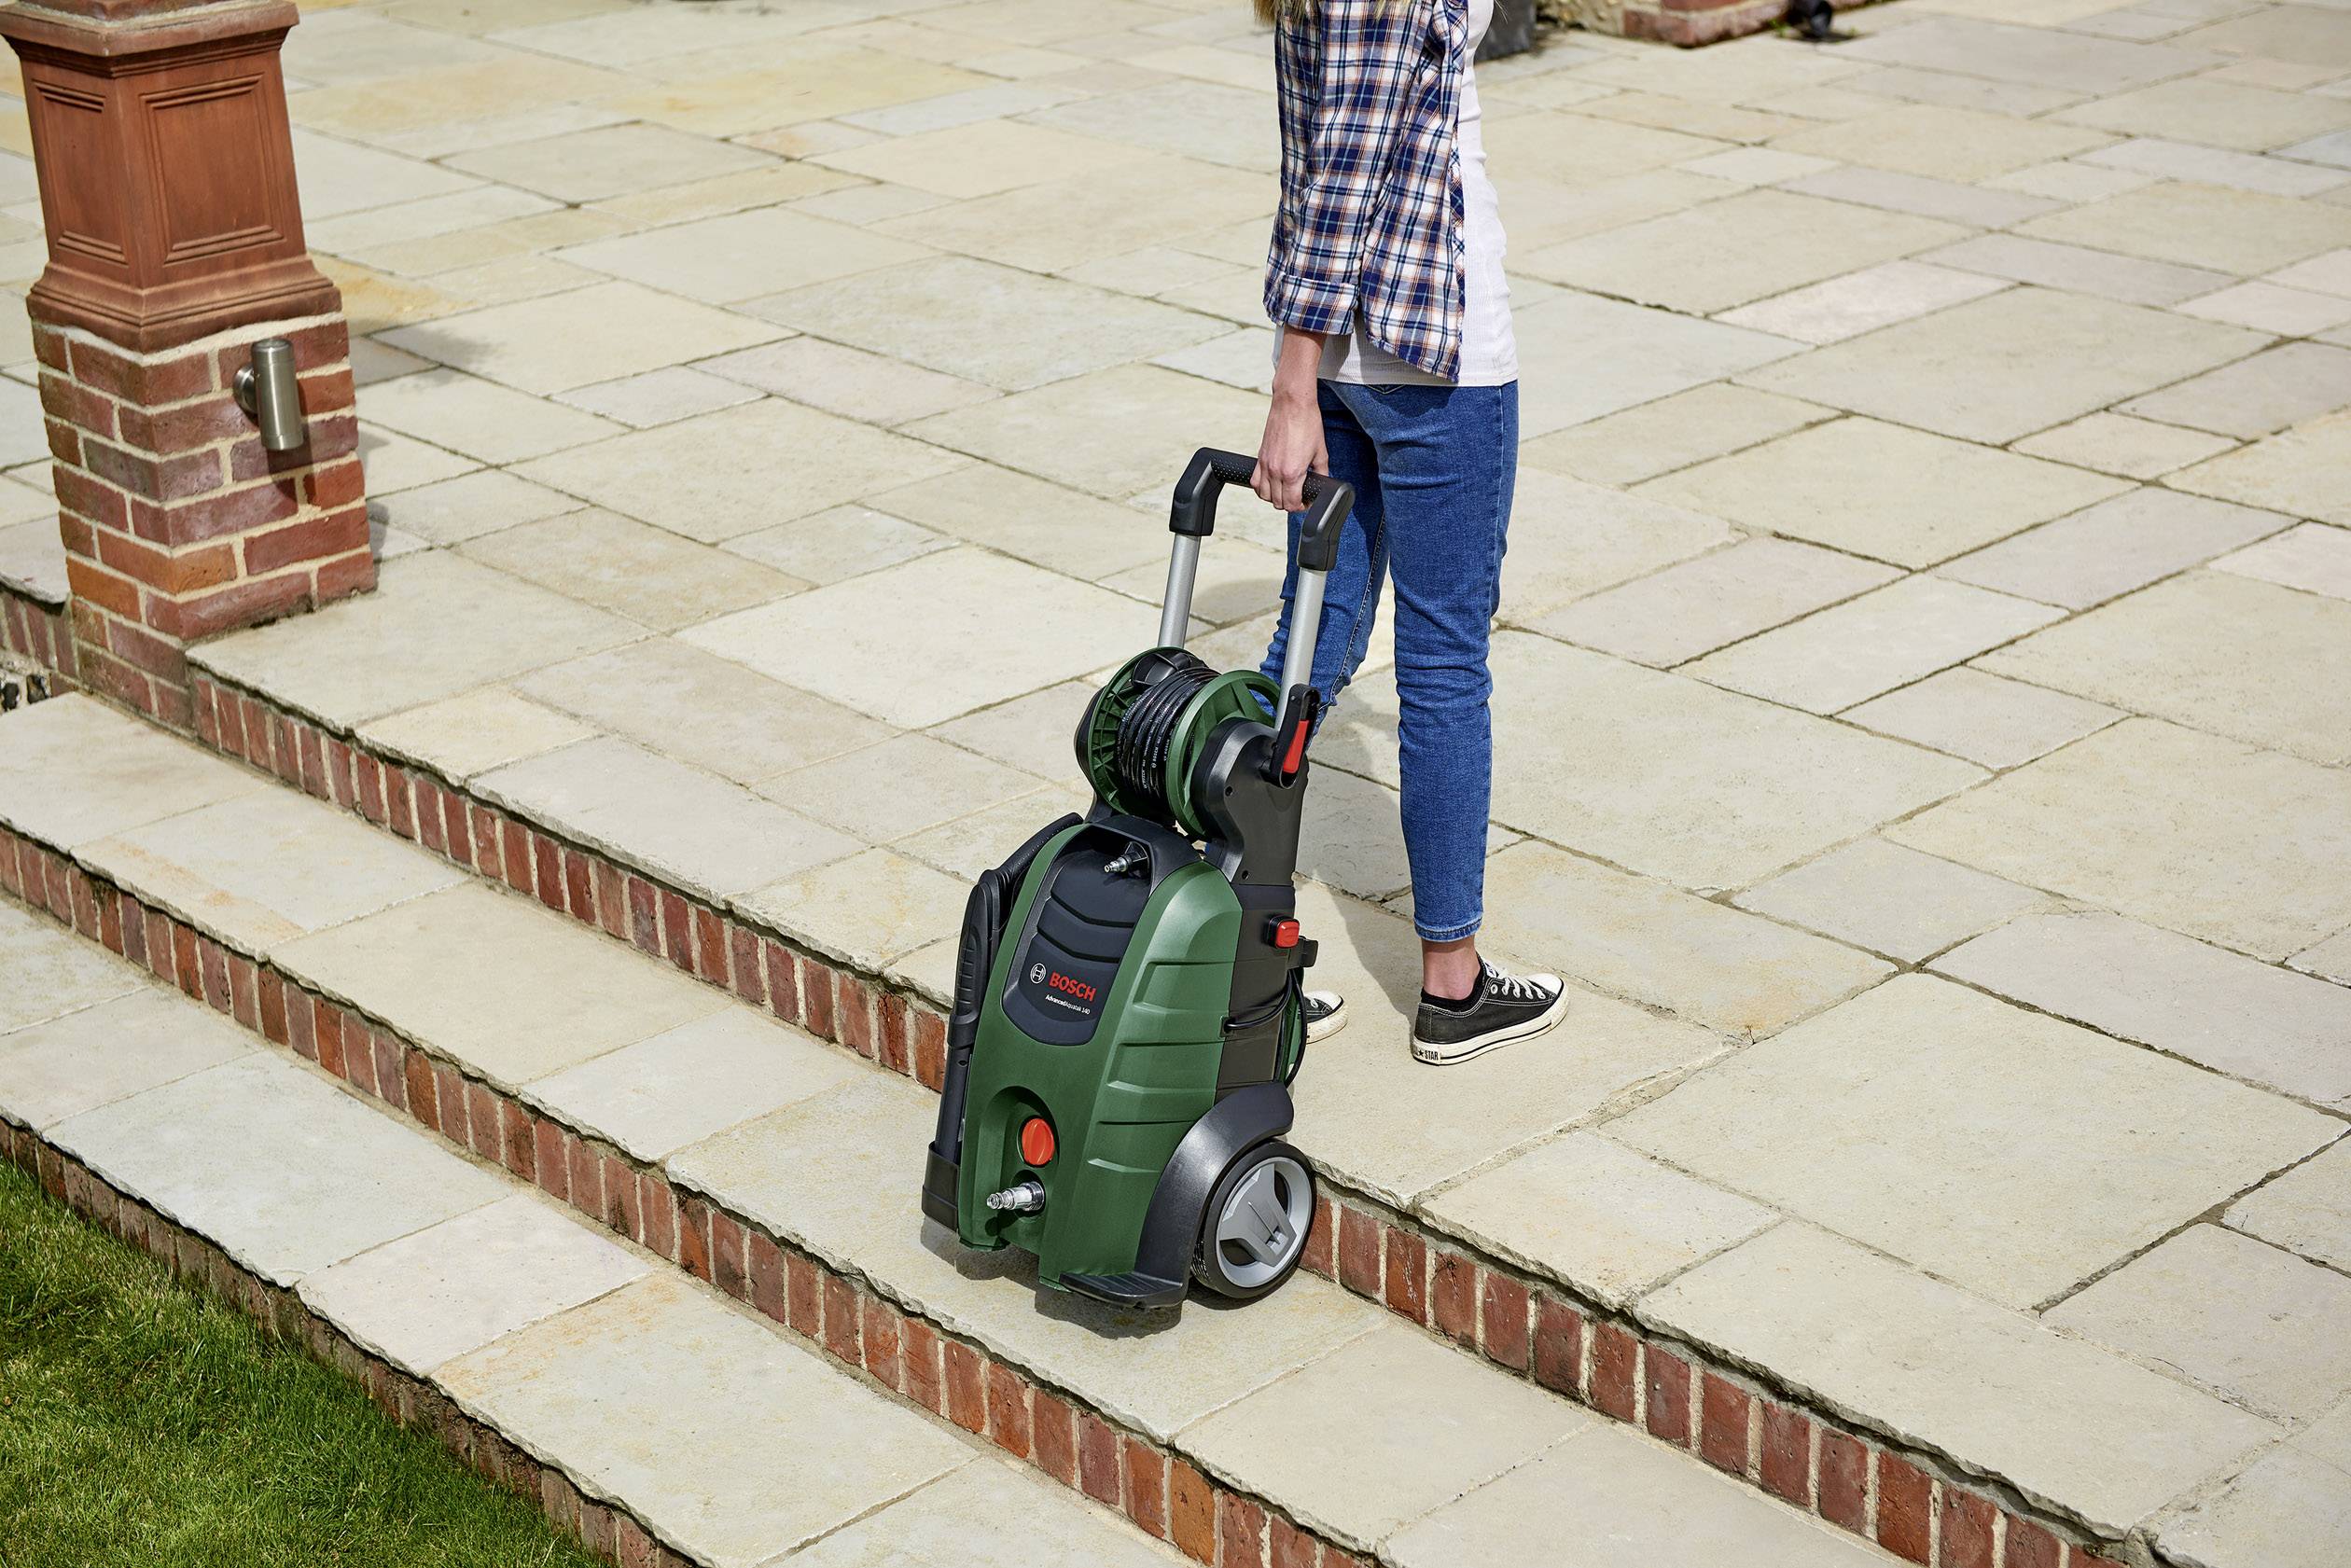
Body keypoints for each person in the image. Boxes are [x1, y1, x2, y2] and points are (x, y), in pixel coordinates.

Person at [1250, 0, 1566, 1066]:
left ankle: (1234, 960)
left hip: (1352, 348)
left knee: (1309, 647)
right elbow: (1340, 165)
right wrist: (1291, 388)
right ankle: (1453, 985)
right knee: (1441, 665)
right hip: (1434, 353)